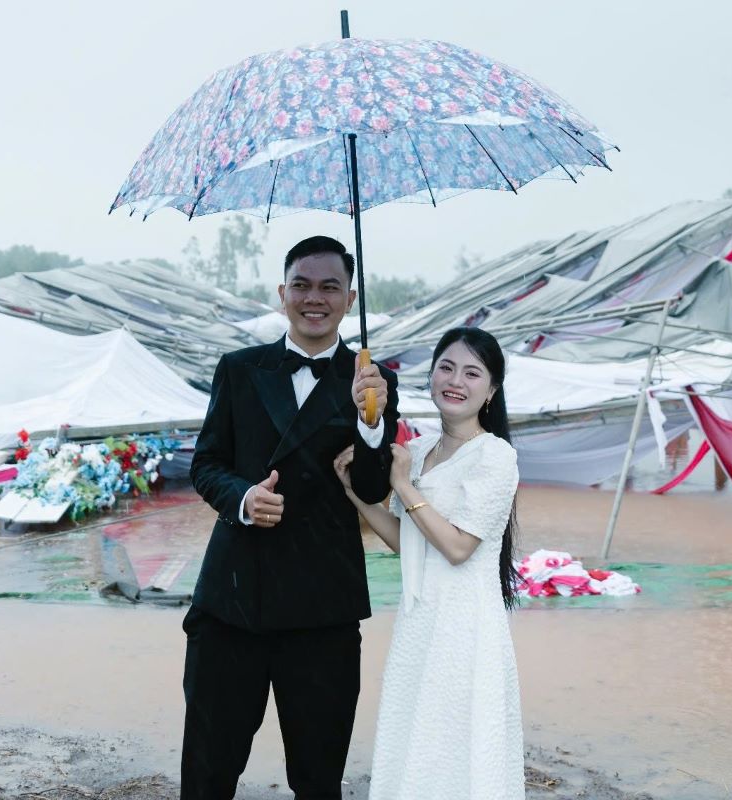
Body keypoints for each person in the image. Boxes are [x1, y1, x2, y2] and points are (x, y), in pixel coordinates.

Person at [183, 235, 400, 800]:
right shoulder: (239, 370)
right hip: (233, 601)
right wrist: (243, 498)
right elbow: (205, 463)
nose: (314, 298)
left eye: (330, 287)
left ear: (349, 299)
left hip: (323, 608)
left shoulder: (372, 380)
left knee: (319, 774)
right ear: (282, 293)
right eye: (301, 285)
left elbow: (375, 488)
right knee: (209, 768)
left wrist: (370, 421)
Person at [334, 326, 524, 800]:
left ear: (491, 390)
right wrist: (355, 493)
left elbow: (459, 547)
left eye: (472, 372)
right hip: (419, 622)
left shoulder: (496, 457)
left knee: (457, 748)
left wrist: (404, 486)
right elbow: (410, 544)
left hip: (465, 628)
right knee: (414, 741)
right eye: (446, 367)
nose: (456, 380)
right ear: (432, 375)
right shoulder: (417, 451)